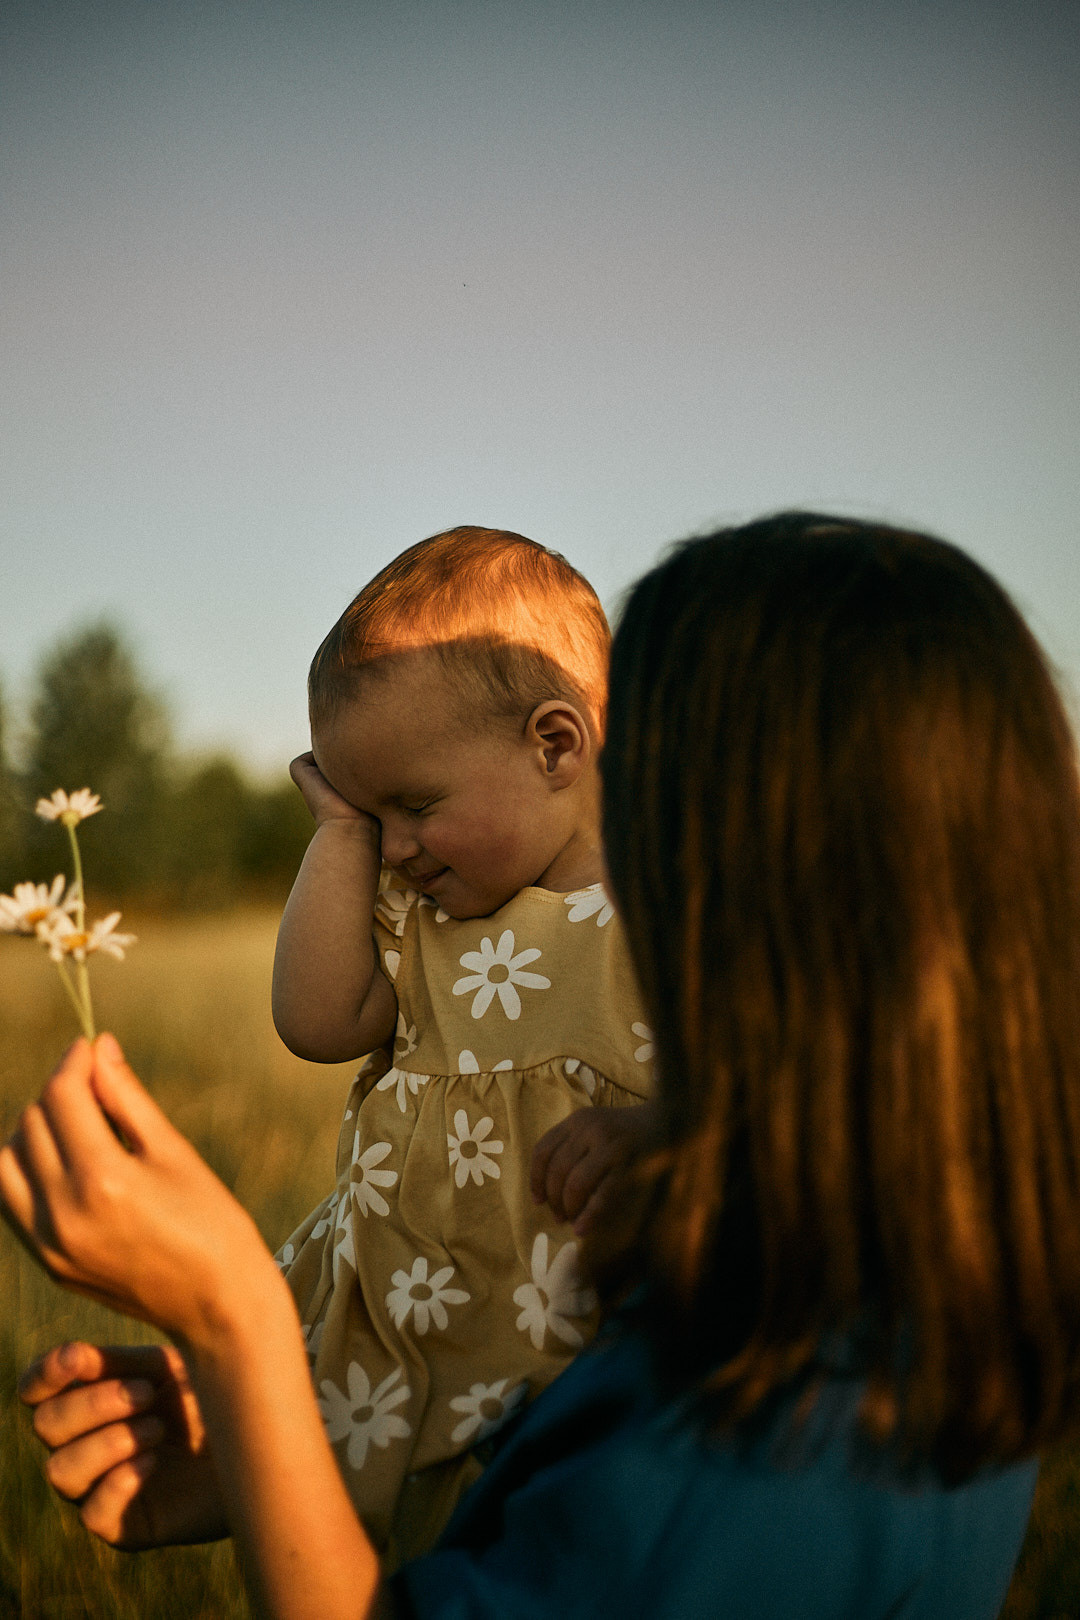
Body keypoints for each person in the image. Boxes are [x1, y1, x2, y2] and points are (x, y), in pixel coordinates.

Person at [7, 512, 1080, 1620]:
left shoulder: (743, 1445)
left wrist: (233, 1317)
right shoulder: (907, 1263)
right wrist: (261, 1420)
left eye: (654, 788)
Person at [266, 526, 653, 1557]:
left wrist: (666, 1125)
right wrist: (339, 835)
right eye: (368, 811)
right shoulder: (423, 923)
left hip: (578, 1365)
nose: (396, 844)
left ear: (556, 745)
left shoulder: (669, 913)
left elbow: (768, 1085)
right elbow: (315, 1023)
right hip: (398, 1358)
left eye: (413, 804)